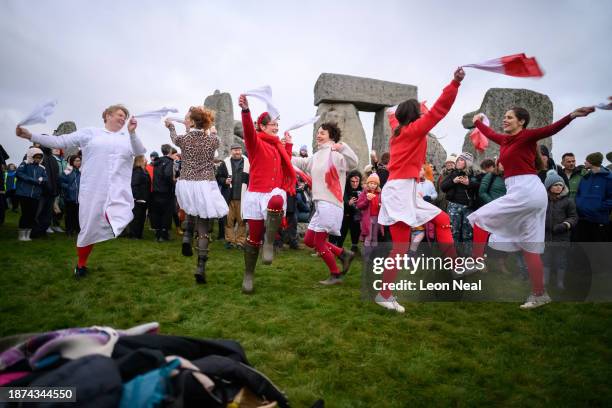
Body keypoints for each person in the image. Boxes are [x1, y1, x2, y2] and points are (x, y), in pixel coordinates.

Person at [468, 104, 595, 309]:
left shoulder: (527, 136)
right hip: (527, 192)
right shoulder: (505, 140)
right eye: (505, 116)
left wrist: (572, 115)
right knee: (530, 248)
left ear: (522, 122)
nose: (505, 119)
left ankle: (475, 262)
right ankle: (539, 294)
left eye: (509, 117)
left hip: (525, 191)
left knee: (479, 219)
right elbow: (489, 132)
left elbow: (551, 129)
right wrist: (476, 122)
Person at [16, 104, 146, 277]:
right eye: (120, 115)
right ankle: (81, 264)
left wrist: (132, 132)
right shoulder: (91, 133)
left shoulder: (126, 137)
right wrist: (30, 135)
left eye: (125, 116)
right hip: (93, 189)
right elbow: (60, 141)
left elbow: (138, 151)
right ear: (107, 115)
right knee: (89, 228)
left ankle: (110, 226)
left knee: (120, 216)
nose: (124, 118)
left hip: (117, 191)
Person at [376, 67, 466, 313]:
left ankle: (455, 265)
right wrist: (454, 84)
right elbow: (439, 111)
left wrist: (407, 108)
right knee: (401, 248)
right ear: (415, 116)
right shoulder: (414, 129)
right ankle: (384, 294)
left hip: (404, 189)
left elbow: (392, 114)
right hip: (400, 191)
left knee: (443, 219)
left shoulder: (399, 127)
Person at [237, 94, 297, 293]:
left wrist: (288, 145)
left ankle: (269, 243)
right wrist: (246, 111)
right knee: (253, 239)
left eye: (277, 124)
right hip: (256, 195)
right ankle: (248, 274)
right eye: (272, 124)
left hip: (272, 194)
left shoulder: (278, 146)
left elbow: (284, 164)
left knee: (278, 199)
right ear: (262, 127)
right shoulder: (256, 143)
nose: (276, 127)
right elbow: (247, 131)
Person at [165, 107, 229, 284]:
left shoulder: (184, 139)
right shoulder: (212, 141)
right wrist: (212, 131)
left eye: (186, 118)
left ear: (192, 122)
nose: (184, 120)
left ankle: (186, 235)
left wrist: (170, 126)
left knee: (190, 209)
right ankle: (200, 266)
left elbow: (174, 138)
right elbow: (215, 138)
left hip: (186, 183)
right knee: (204, 226)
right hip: (205, 184)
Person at [291, 122, 359, 285]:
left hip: (331, 204)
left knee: (320, 243)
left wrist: (342, 147)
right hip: (320, 204)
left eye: (322, 133)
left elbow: (353, 162)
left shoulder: (336, 154)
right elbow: (300, 163)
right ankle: (343, 254)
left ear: (331, 136)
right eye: (318, 132)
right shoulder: (317, 156)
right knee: (309, 240)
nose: (318, 135)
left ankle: (335, 274)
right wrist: (283, 150)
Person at [543, 170, 578, 290]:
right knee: (546, 258)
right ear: (548, 187)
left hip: (562, 236)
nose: (559, 187)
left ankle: (560, 282)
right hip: (546, 236)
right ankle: (545, 280)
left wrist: (564, 225)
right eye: (555, 185)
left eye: (560, 185)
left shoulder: (568, 201)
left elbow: (573, 217)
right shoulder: (543, 201)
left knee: (560, 260)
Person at [440, 152, 479, 254]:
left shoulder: (474, 174)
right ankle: (455, 258)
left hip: (469, 207)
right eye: (458, 159)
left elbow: (480, 187)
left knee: (468, 233)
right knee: (454, 233)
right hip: (454, 206)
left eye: (461, 160)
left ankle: (468, 257)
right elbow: (443, 187)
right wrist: (453, 181)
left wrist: (469, 183)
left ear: (467, 162)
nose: (458, 161)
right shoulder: (453, 173)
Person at [216, 143, 250, 249]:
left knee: (242, 221)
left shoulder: (248, 163)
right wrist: (224, 180)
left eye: (239, 150)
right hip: (228, 196)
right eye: (235, 150)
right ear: (231, 151)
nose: (237, 152)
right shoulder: (225, 163)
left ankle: (240, 242)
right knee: (228, 220)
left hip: (243, 197)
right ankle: (230, 241)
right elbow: (218, 177)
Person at [574, 152, 612, 242]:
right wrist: (579, 204)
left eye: (587, 160)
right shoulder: (585, 178)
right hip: (582, 220)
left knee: (598, 252)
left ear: (592, 162)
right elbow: (578, 194)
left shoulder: (608, 178)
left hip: (599, 221)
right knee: (583, 251)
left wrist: (598, 207)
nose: (584, 162)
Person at [15, 147, 48, 241]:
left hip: (35, 195)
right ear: (31, 156)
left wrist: (42, 180)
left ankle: (27, 235)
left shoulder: (42, 167)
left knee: (32, 215)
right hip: (24, 193)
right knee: (25, 214)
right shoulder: (25, 163)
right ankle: (21, 235)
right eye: (36, 157)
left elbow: (45, 178)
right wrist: (33, 180)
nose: (37, 159)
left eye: (39, 157)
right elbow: (19, 174)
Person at [330, 170, 362, 253]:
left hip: (356, 214)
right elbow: (342, 200)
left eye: (357, 181)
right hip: (345, 213)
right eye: (352, 181)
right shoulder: (345, 188)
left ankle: (354, 246)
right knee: (342, 230)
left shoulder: (361, 189)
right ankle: (338, 247)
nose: (355, 183)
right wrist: (348, 203)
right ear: (349, 181)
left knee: (356, 229)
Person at [150, 144, 176, 242]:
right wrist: (173, 181)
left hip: (156, 191)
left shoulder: (157, 161)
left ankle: (157, 234)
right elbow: (168, 175)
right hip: (166, 191)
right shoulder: (169, 162)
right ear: (169, 151)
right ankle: (164, 235)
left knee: (157, 213)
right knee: (166, 213)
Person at [357, 173, 384, 259]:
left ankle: (373, 255)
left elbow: (382, 205)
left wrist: (381, 205)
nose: (373, 185)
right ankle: (366, 256)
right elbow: (359, 205)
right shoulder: (364, 193)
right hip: (367, 219)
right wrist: (367, 200)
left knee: (375, 237)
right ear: (368, 184)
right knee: (368, 237)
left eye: (375, 184)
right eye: (371, 183)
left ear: (377, 185)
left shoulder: (379, 194)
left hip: (377, 218)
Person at [60, 155, 82, 236]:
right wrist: (69, 188)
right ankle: (69, 230)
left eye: (79, 160)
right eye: (76, 161)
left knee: (78, 215)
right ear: (72, 162)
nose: (78, 162)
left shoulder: (82, 171)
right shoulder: (67, 171)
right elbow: (61, 182)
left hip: (80, 198)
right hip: (69, 197)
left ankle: (77, 229)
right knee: (69, 215)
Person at [129, 155, 150, 239]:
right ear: (140, 161)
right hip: (138, 199)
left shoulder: (144, 171)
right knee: (137, 217)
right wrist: (137, 198)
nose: (146, 160)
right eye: (145, 159)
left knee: (142, 217)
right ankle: (134, 235)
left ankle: (138, 234)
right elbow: (134, 185)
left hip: (144, 198)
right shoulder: (137, 171)